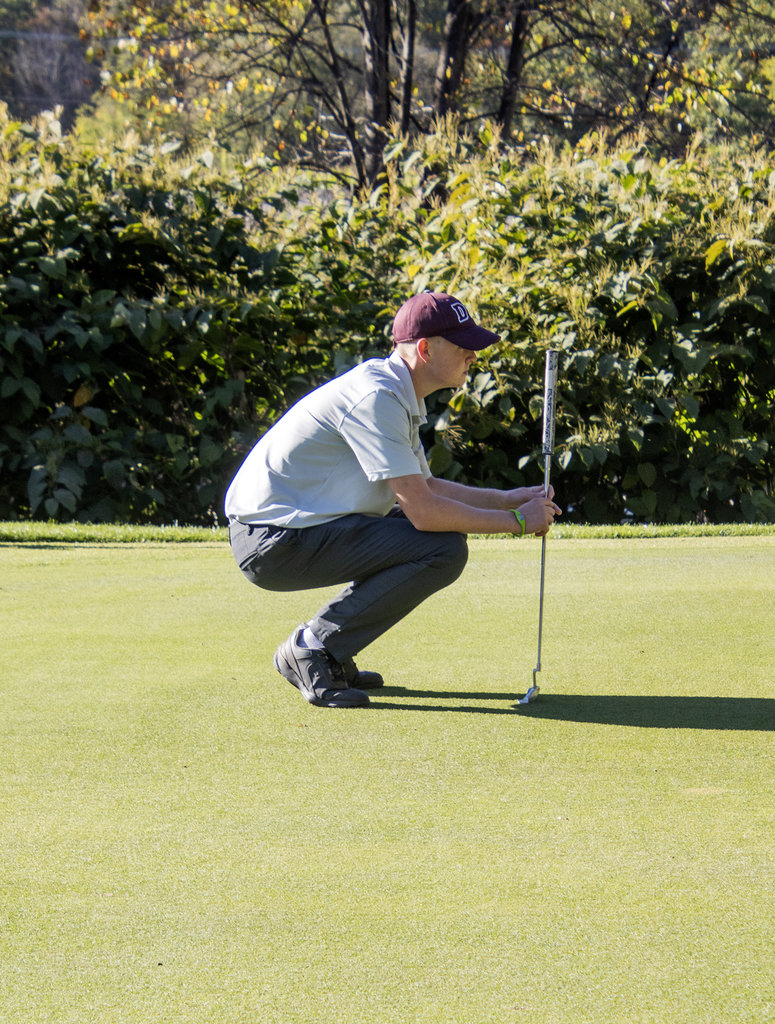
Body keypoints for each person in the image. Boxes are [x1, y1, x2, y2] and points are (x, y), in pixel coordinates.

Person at [224, 292, 561, 709]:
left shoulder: (395, 392)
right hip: (272, 542)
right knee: (441, 548)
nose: (472, 355)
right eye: (462, 345)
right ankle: (314, 647)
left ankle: (329, 649)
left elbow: (427, 487)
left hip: (292, 531)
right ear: (425, 349)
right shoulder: (377, 398)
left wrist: (507, 499)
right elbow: (424, 512)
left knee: (438, 543)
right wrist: (518, 521)